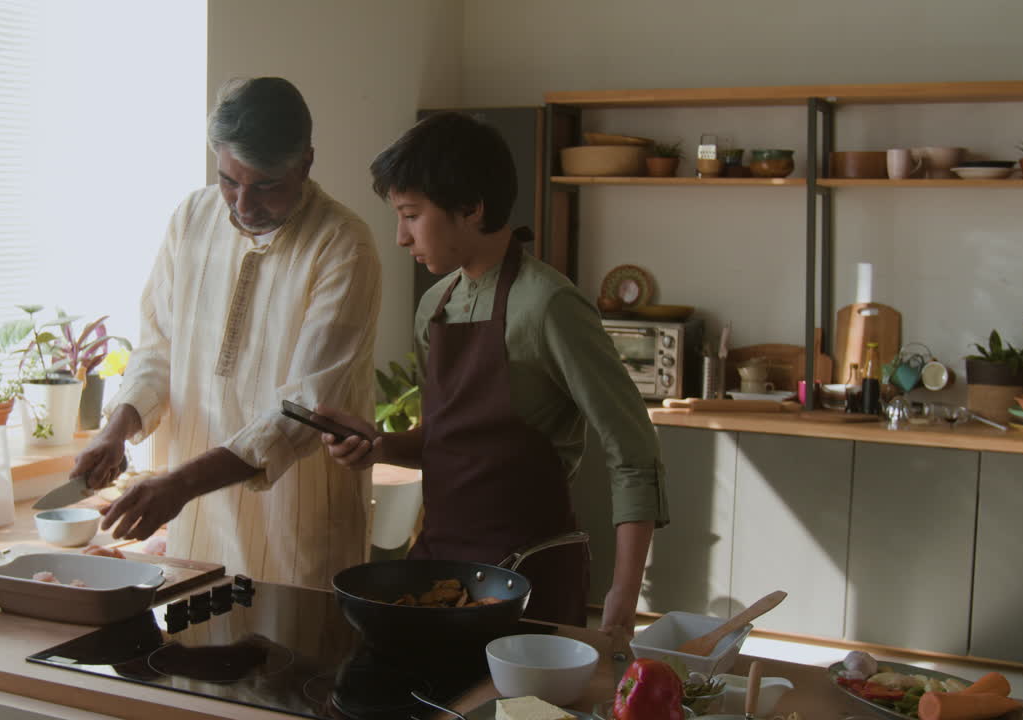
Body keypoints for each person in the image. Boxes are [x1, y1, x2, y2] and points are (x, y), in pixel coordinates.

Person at [316, 111, 667, 632]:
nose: (400, 238)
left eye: (411, 215)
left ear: (471, 208)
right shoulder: (435, 305)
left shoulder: (549, 306)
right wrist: (380, 447)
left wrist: (622, 595)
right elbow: (448, 441)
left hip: (529, 576)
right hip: (440, 568)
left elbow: (635, 455)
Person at [71, 77, 382, 589]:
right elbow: (157, 350)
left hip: (294, 526)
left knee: (297, 665)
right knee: (193, 658)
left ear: (305, 163)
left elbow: (302, 411)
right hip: (195, 523)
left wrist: (180, 483)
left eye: (265, 186)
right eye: (229, 180)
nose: (242, 203)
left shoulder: (343, 246)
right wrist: (116, 429)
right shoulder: (192, 219)